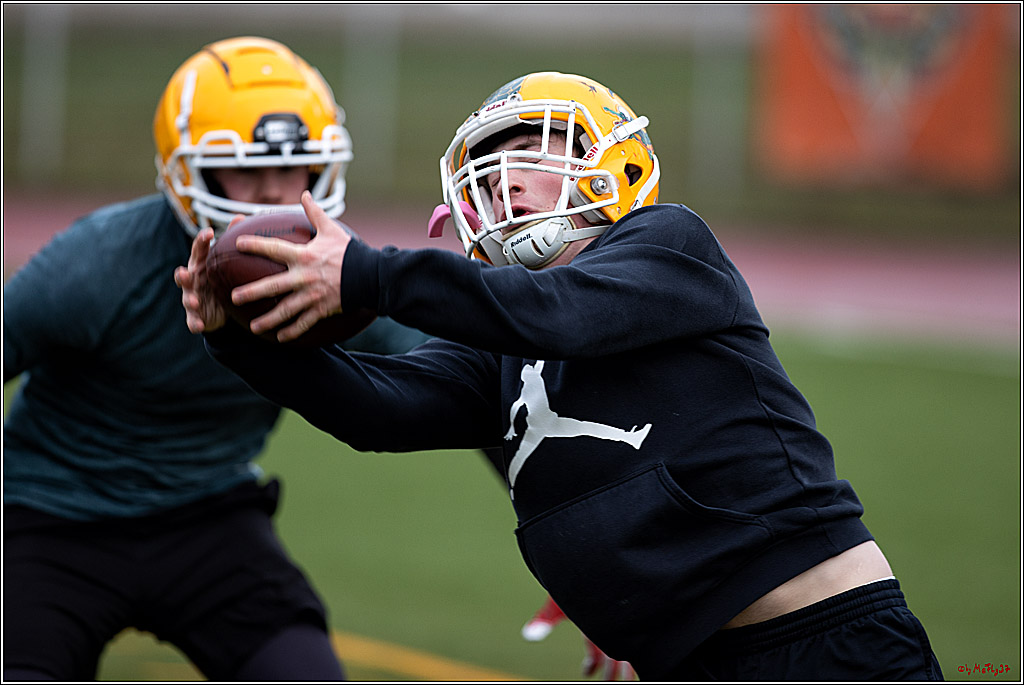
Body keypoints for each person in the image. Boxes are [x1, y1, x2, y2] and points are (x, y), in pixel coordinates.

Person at [176, 71, 944, 680]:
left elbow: (559, 312)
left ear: (611, 160)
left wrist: (371, 274)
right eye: (488, 166)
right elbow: (381, 409)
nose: (507, 180)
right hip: (684, 662)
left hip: (823, 644)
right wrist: (240, 342)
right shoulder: (501, 339)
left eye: (537, 155)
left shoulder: (668, 242)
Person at [2, 36, 433, 681]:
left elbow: (478, 390)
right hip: (51, 517)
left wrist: (584, 550)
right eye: (246, 170)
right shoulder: (96, 265)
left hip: (207, 515)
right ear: (187, 174)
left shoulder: (334, 275)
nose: (273, 196)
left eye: (296, 170)